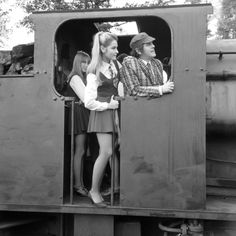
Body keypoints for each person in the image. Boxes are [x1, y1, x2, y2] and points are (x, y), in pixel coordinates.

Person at [84, 31, 122, 207]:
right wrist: (108, 106)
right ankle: (94, 190)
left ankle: (116, 186)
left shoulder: (115, 65)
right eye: (113, 48)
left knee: (113, 151)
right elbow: (89, 102)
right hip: (103, 113)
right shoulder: (93, 70)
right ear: (103, 49)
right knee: (106, 152)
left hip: (115, 112)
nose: (116, 51)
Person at [67, 51, 91, 197]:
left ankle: (80, 184)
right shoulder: (75, 77)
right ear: (78, 62)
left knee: (82, 151)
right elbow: (85, 97)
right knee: (80, 151)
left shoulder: (81, 78)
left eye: (88, 63)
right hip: (78, 113)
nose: (87, 65)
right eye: (84, 62)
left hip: (83, 112)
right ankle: (77, 185)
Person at [120, 32, 174, 97]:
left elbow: (160, 86)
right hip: (137, 106)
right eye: (148, 44)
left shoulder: (157, 63)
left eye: (152, 43)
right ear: (138, 51)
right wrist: (160, 89)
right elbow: (134, 90)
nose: (153, 46)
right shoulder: (129, 63)